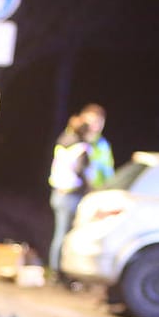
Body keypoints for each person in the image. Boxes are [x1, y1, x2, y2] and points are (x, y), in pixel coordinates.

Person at [47, 112, 92, 273]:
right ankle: (61, 271)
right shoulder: (81, 147)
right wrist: (90, 187)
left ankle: (54, 268)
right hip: (72, 195)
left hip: (57, 192)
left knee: (59, 233)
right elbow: (80, 171)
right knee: (66, 235)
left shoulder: (62, 142)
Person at [79, 102, 115, 189]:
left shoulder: (103, 144)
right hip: (72, 193)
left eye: (100, 122)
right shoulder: (71, 140)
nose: (96, 126)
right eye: (93, 122)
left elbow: (108, 171)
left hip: (95, 191)